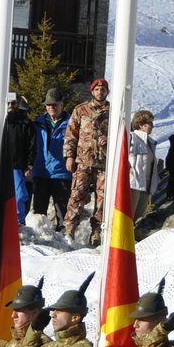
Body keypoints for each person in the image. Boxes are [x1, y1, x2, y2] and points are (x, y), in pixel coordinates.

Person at [63, 78, 111, 243]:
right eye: (97, 89)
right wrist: (69, 156)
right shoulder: (81, 110)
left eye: (103, 90)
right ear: (92, 91)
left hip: (104, 163)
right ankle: (69, 230)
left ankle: (97, 232)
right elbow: (71, 134)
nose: (100, 92)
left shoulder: (113, 111)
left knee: (103, 199)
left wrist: (109, 138)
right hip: (83, 161)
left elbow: (123, 136)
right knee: (77, 195)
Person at [29, 89, 72, 225]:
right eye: (48, 105)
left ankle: (64, 241)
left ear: (61, 105)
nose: (51, 107)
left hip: (62, 174)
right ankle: (38, 239)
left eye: (55, 105)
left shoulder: (72, 125)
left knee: (62, 213)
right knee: (39, 213)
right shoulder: (37, 124)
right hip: (41, 172)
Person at [3, 93, 35, 224]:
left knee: (19, 196)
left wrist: (29, 166)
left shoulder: (26, 123)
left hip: (18, 166)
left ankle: (19, 222)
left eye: (13, 103)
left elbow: (32, 146)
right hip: (0, 166)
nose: (11, 106)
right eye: (8, 103)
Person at [127, 109, 158, 221]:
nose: (152, 126)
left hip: (146, 186)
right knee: (128, 217)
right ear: (140, 124)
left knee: (139, 220)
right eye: (149, 123)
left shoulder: (151, 143)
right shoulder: (131, 137)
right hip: (134, 184)